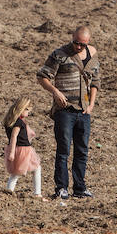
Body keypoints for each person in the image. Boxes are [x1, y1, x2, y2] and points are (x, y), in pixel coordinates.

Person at [37, 26, 100, 199]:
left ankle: (80, 187)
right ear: (72, 37)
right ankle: (61, 187)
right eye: (76, 43)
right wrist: (55, 92)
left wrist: (92, 104)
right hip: (65, 110)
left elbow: (96, 81)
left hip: (84, 110)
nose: (78, 47)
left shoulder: (92, 55)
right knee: (63, 150)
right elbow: (42, 76)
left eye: (82, 44)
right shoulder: (59, 54)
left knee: (82, 151)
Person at [2, 97, 42, 195]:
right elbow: (14, 136)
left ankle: (10, 192)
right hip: (22, 150)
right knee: (17, 173)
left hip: (20, 149)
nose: (28, 113)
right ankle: (36, 193)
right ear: (21, 108)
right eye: (27, 110)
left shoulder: (12, 121)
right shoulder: (18, 122)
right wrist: (11, 153)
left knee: (32, 169)